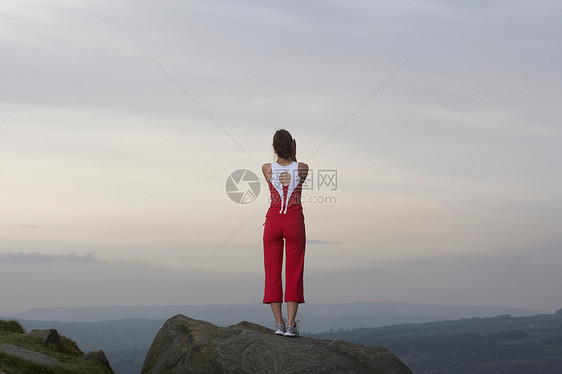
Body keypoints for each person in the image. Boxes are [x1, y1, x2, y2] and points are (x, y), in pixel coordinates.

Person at [262, 129, 309, 337]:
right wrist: (294, 153)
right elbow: (295, 166)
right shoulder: (302, 167)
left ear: (274, 147)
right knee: (294, 272)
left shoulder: (266, 168)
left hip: (273, 221)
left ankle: (279, 324)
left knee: (272, 273)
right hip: (294, 222)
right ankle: (291, 325)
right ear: (292, 145)